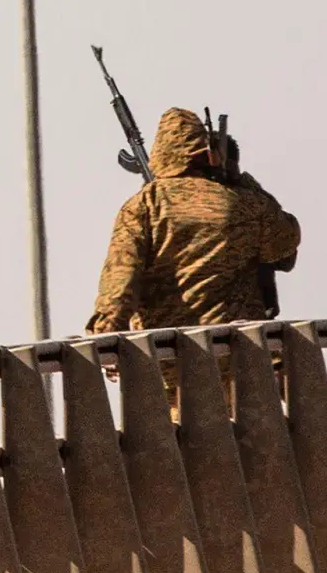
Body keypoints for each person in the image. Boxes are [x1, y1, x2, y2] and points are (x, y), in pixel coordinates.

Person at [84, 107, 300, 413]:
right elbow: (284, 245)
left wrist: (105, 335)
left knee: (186, 453)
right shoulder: (241, 203)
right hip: (245, 361)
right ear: (207, 153)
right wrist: (244, 183)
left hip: (174, 368)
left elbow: (121, 281)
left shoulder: (144, 206)